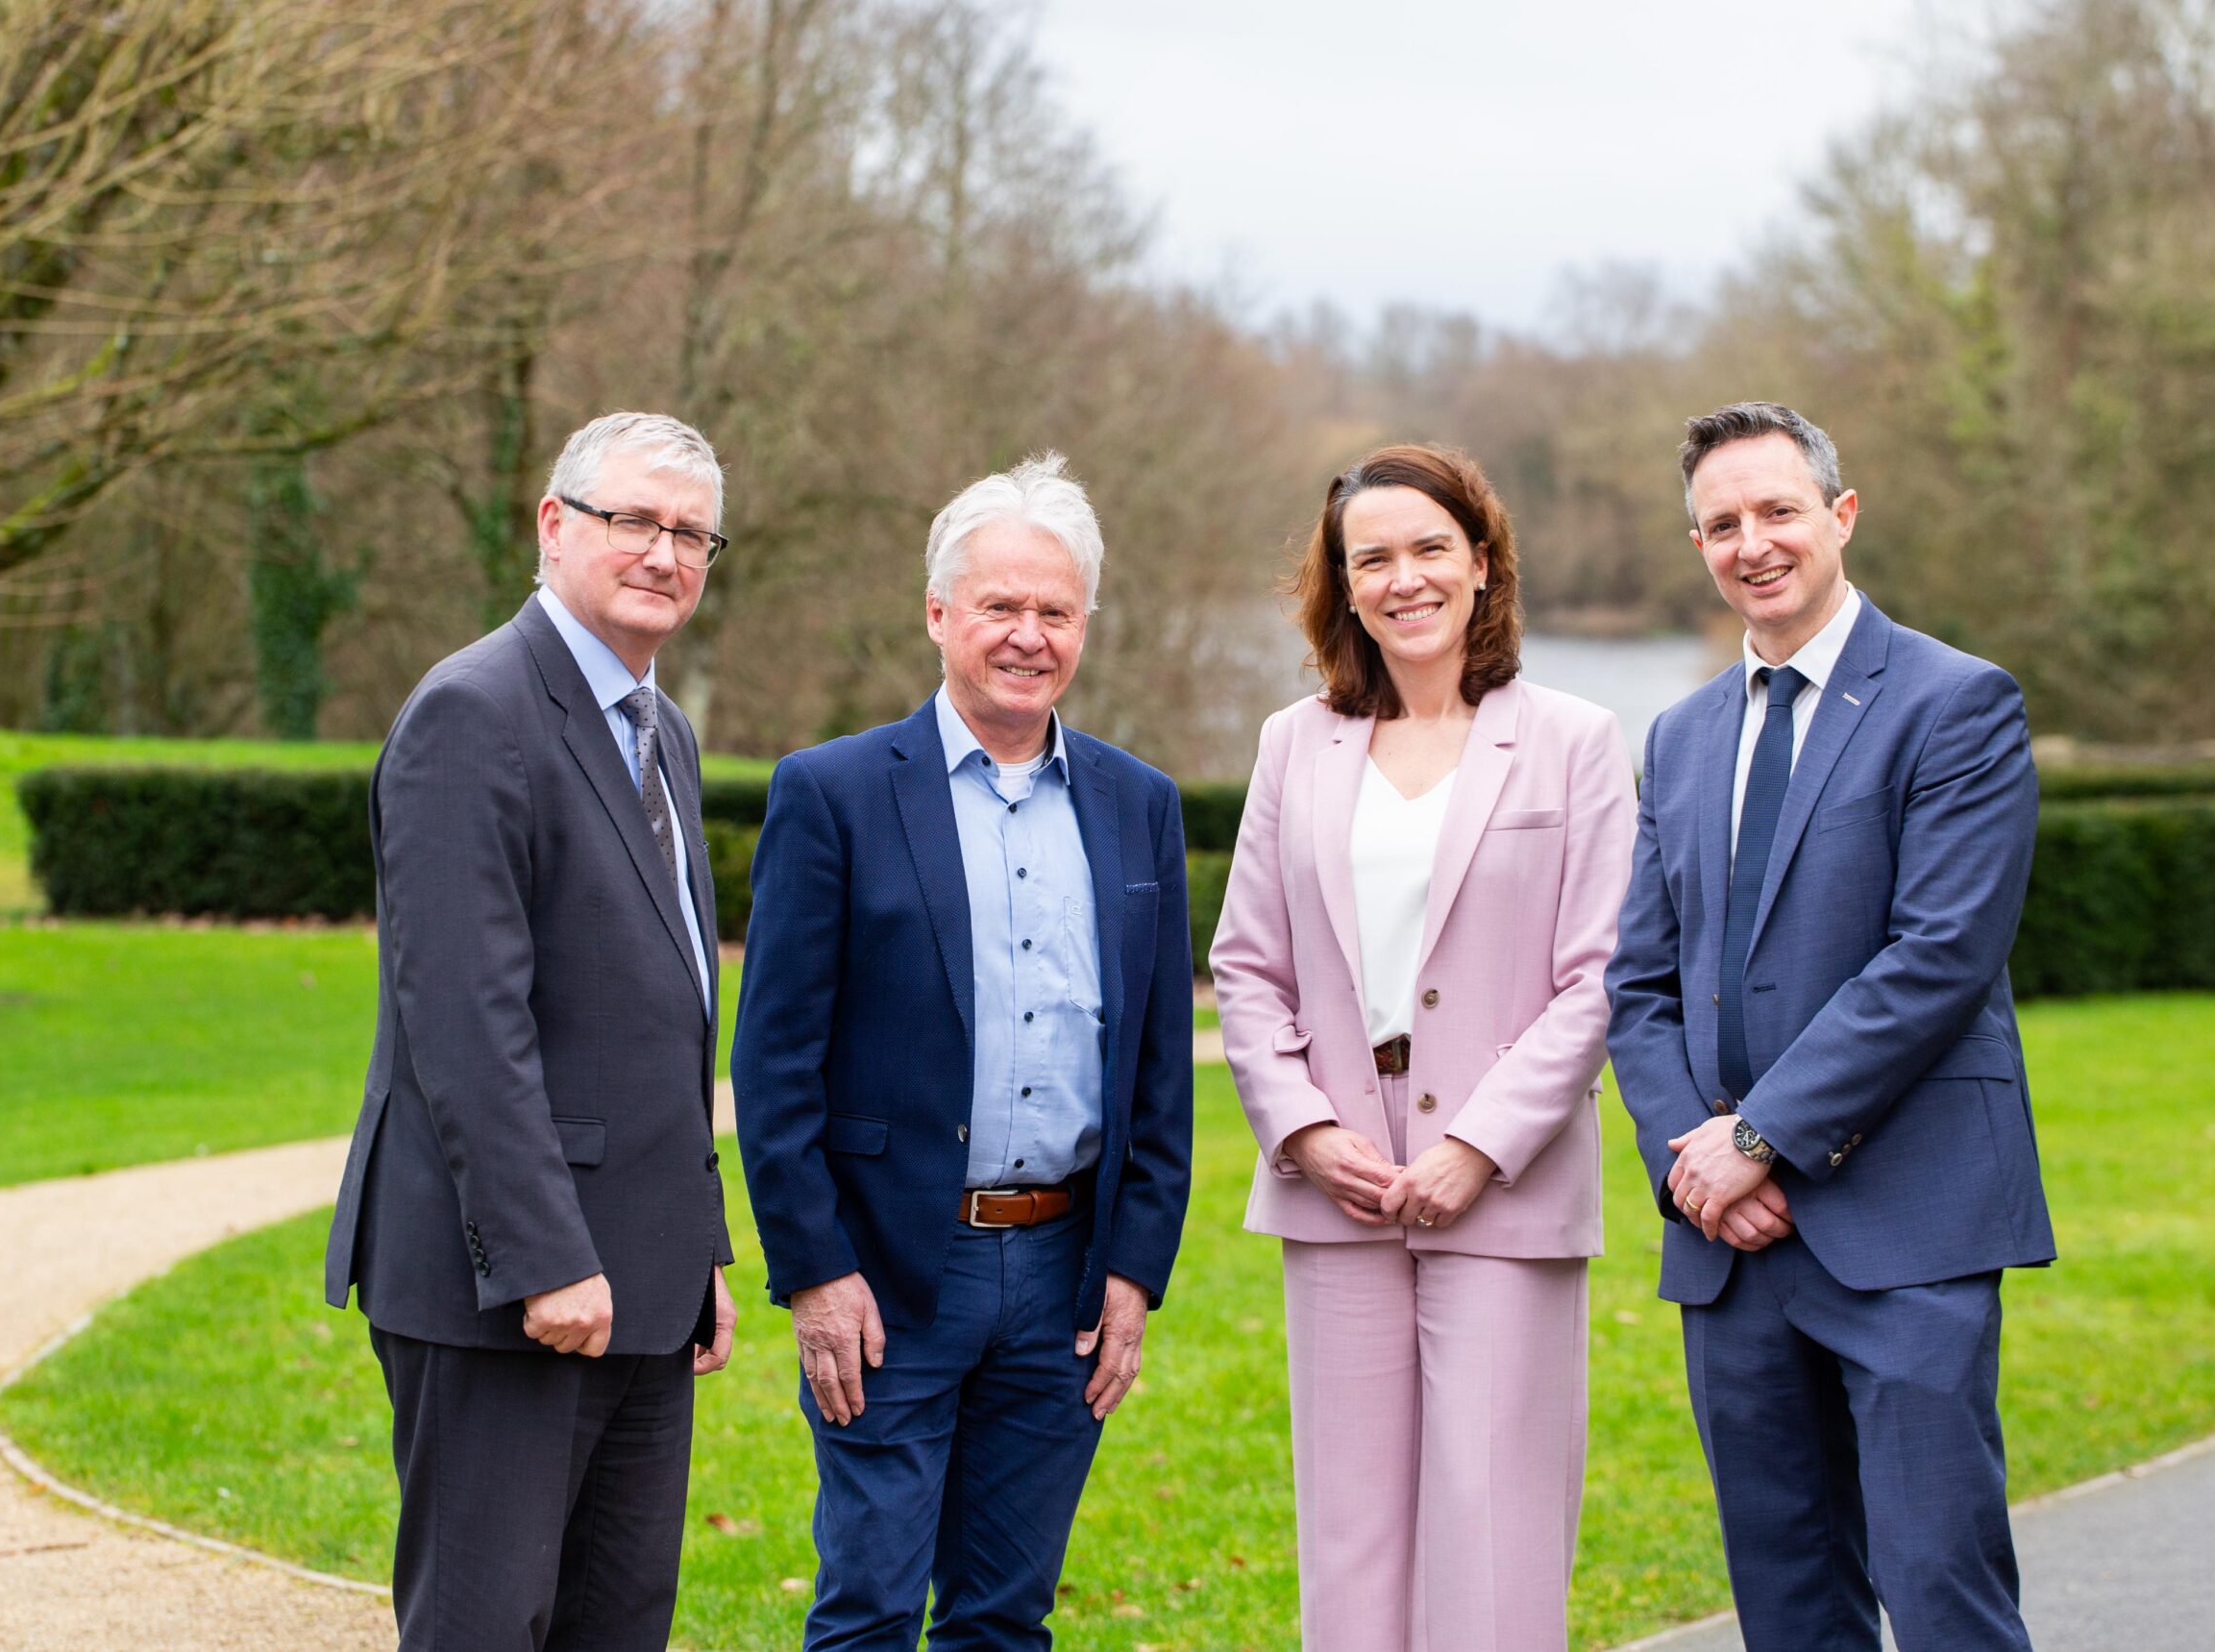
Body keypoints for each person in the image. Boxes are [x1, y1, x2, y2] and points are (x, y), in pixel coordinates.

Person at [1607, 401, 2055, 1650]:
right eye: (1721, 522)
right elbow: (1637, 984)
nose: (1753, 542)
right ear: (1698, 541)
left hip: (1905, 1222)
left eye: (1778, 510)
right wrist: (1694, 1160)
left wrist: (1760, 1136)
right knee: (1791, 1606)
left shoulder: (1956, 704)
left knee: (1944, 1587)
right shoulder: (1683, 737)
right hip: (1730, 1246)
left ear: (1840, 515)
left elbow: (1939, 958)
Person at [732, 452, 1193, 1651]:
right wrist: (814, 1270)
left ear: (1084, 624)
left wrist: (1135, 1268)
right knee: (870, 1609)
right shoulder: (830, 794)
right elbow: (773, 1065)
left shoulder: (1139, 803)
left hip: (1065, 1279)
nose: (1027, 634)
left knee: (1004, 1617)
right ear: (939, 613)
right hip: (886, 1275)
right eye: (1000, 605)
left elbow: (1155, 1065)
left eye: (1054, 610)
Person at [322, 411, 738, 1652]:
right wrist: (546, 1254)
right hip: (504, 1281)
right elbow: (463, 1020)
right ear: (554, 526)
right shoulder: (474, 711)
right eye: (634, 522)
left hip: (645, 1285)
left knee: (618, 1626)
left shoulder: (662, 732)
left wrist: (693, 1239)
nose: (664, 553)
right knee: (486, 1624)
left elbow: (664, 1015)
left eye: (692, 533)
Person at [1210, 444, 1637, 1650]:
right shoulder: (1294, 743)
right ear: (1343, 587)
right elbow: (1246, 965)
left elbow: (1595, 977)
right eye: (1372, 558)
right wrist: (1302, 1126)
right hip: (1336, 1182)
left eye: (1429, 548)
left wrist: (1479, 1146)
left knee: (1491, 1527)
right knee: (1347, 1536)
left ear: (1484, 562)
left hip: (1503, 1184)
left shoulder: (1574, 740)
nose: (1404, 578)